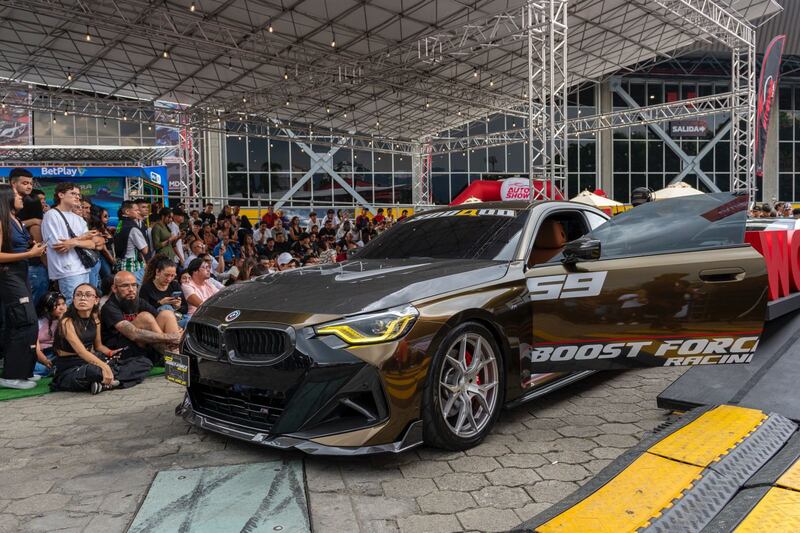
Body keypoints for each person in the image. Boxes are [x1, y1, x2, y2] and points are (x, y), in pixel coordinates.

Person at [0, 184, 47, 389]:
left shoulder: (16, 219)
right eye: (17, 195)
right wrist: (29, 254)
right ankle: (11, 375)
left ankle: (25, 372)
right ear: (7, 198)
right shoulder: (2, 221)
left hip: (21, 273)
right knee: (24, 322)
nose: (21, 197)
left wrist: (32, 249)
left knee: (25, 322)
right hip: (9, 276)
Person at [101, 271, 182, 366]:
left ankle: (175, 355)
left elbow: (158, 318)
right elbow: (133, 334)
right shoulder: (109, 307)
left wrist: (178, 330)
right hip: (121, 350)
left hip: (143, 345)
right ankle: (172, 358)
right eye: (125, 286)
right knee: (145, 317)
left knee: (166, 314)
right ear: (114, 288)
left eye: (134, 285)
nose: (131, 289)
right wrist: (169, 337)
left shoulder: (138, 301)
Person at [41, 182, 96, 306]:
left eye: (78, 194)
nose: (77, 197)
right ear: (60, 195)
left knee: (86, 306)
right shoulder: (52, 215)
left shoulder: (78, 218)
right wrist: (81, 238)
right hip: (67, 270)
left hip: (84, 267)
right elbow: (60, 247)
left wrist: (74, 242)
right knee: (73, 306)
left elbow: (92, 244)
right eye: (73, 193)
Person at [140, 255, 189, 328]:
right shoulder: (146, 287)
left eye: (172, 276)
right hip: (157, 323)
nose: (169, 279)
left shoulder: (175, 285)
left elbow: (185, 309)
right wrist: (160, 303)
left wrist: (178, 307)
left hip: (178, 319)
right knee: (166, 307)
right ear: (157, 272)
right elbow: (143, 312)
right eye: (166, 275)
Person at [17, 194, 49, 307]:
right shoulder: (35, 226)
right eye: (41, 202)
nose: (44, 203)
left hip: (29, 268)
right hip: (36, 268)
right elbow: (41, 251)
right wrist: (50, 268)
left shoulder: (22, 223)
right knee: (37, 303)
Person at [113, 200, 149, 284]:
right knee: (134, 292)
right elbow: (145, 250)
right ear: (127, 211)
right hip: (132, 266)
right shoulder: (133, 228)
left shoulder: (120, 224)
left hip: (121, 263)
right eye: (136, 210)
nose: (138, 212)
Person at [33, 291, 66, 377]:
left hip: (55, 353)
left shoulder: (66, 320)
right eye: (58, 305)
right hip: (39, 354)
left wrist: (62, 321)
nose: (62, 308)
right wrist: (44, 360)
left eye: (63, 304)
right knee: (29, 364)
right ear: (46, 308)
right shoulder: (38, 322)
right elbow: (35, 347)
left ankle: (53, 370)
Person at [88, 205, 115, 286]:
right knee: (107, 277)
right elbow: (104, 249)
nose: (108, 218)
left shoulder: (106, 229)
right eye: (105, 216)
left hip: (109, 256)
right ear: (99, 217)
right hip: (103, 257)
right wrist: (112, 260)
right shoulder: (96, 230)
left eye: (108, 216)